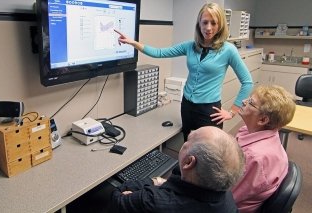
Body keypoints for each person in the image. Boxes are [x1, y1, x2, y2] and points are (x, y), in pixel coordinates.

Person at [115, 2, 253, 141]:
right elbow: (159, 52)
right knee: (188, 145)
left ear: (220, 25)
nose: (208, 28)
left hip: (209, 111)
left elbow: (247, 82)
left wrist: (232, 112)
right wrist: (133, 43)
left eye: (213, 23)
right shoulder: (190, 46)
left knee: (209, 152)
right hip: (187, 106)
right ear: (199, 23)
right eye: (205, 22)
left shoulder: (228, 50)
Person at [109, 126, 245, 213]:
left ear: (188, 162)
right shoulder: (227, 198)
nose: (189, 134)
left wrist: (154, 181)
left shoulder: (153, 202)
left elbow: (118, 198)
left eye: (189, 139)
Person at [231, 85, 296, 213]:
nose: (244, 101)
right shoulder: (264, 134)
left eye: (251, 103)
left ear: (262, 119)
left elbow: (227, 195)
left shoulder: (253, 156)